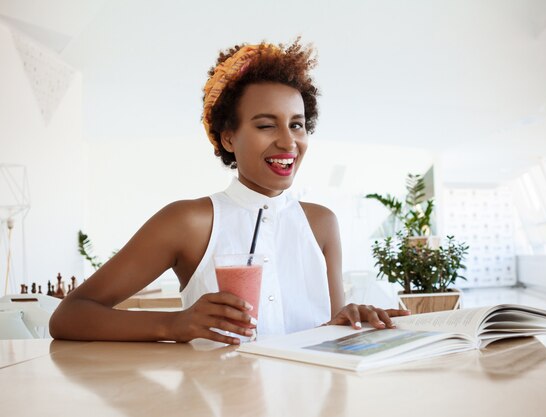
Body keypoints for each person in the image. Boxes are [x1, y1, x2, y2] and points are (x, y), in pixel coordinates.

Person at [49, 39, 409, 344]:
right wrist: (175, 324)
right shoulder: (190, 221)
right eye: (266, 125)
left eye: (297, 125)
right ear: (228, 137)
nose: (288, 141)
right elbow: (69, 315)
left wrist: (350, 320)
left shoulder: (321, 224)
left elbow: (330, 336)